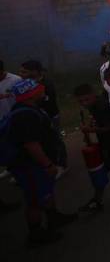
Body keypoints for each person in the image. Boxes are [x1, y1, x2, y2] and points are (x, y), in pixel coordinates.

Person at [3, 79, 77, 244]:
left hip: (37, 164)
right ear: (31, 94)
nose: (42, 91)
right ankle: (35, 234)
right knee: (35, 199)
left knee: (46, 191)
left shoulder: (30, 109)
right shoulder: (25, 115)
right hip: (29, 165)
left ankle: (53, 217)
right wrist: (48, 164)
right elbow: (31, 145)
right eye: (38, 89)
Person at [19, 60, 68, 177]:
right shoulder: (28, 83)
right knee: (44, 142)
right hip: (38, 118)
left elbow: (49, 102)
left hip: (51, 116)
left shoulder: (46, 84)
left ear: (35, 71)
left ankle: (62, 165)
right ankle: (49, 164)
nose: (20, 74)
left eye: (24, 72)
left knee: (56, 140)